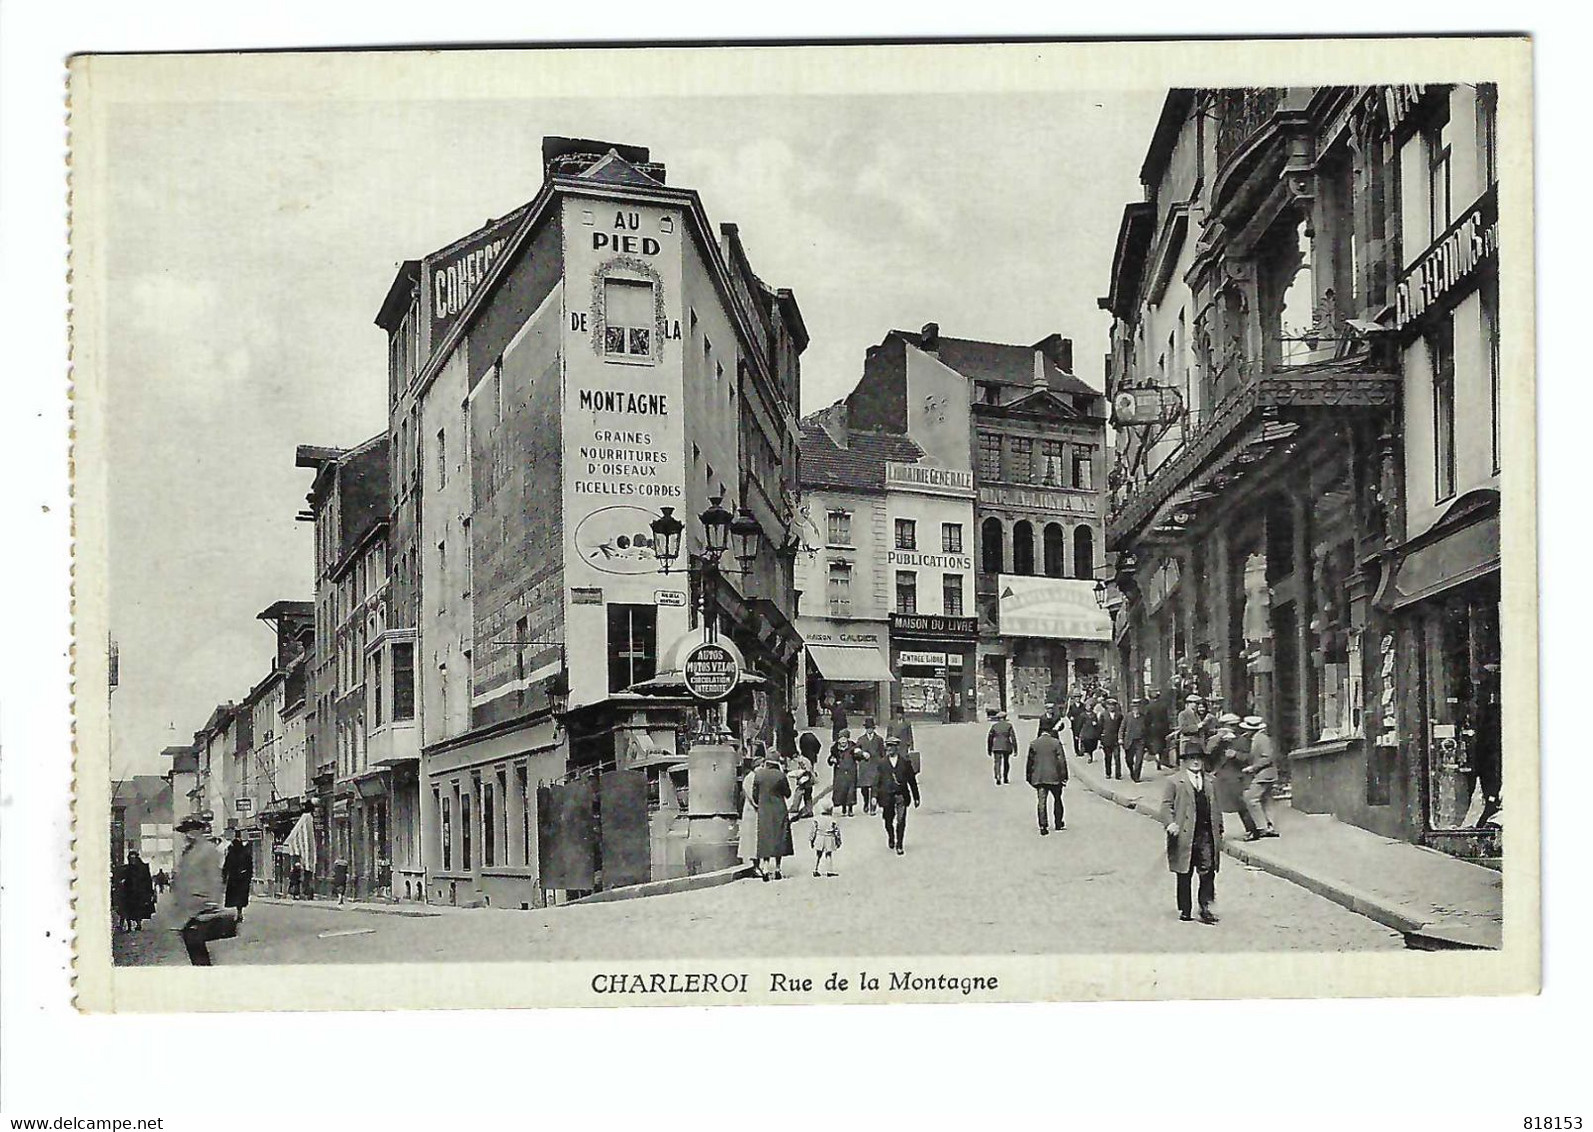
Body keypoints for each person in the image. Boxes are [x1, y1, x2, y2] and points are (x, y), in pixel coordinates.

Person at [1160, 744, 1224, 924]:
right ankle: (1185, 909)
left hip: (1205, 833)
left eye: (1199, 758)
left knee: (1208, 871)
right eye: (1191, 758)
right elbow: (1166, 806)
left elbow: (1216, 808)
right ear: (1185, 761)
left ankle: (1206, 908)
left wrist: (1219, 829)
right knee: (1184, 872)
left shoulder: (1210, 782)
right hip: (1184, 834)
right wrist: (1170, 823)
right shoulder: (1174, 781)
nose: (1195, 762)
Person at [172, 815, 225, 965]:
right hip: (188, 908)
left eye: (193, 829)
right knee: (193, 946)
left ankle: (205, 978)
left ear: (201, 830)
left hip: (201, 906)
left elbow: (215, 878)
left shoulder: (208, 850)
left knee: (196, 947)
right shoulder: (188, 851)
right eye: (186, 831)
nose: (189, 834)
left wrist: (213, 903)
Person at [1208, 713, 1258, 838]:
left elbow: (1249, 758)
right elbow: (1207, 753)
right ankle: (1218, 830)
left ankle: (1252, 829)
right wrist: (1217, 740)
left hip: (1235, 777)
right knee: (1215, 805)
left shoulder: (1242, 740)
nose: (1230, 728)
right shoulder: (1217, 740)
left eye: (1232, 726)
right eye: (1227, 725)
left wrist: (1236, 755)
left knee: (1241, 805)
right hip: (1219, 776)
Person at [751, 752, 794, 880]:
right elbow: (788, 793)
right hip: (779, 809)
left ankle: (765, 867)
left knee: (765, 838)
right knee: (779, 837)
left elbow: (755, 795)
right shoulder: (780, 775)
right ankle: (778, 868)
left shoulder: (759, 775)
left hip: (764, 810)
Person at [875, 736, 920, 855]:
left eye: (891, 746)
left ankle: (899, 844)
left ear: (897, 748)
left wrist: (916, 797)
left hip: (901, 796)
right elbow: (877, 781)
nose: (888, 748)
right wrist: (874, 797)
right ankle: (891, 836)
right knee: (888, 820)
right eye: (887, 746)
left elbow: (912, 780)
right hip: (887, 796)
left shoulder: (905, 763)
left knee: (901, 820)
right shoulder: (882, 763)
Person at [1239, 715, 1280, 838]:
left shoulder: (1261, 739)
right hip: (1266, 773)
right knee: (1266, 800)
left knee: (1251, 798)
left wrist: (1252, 767)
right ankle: (1269, 825)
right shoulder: (1257, 738)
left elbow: (1267, 757)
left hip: (1265, 774)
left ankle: (1262, 827)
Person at [1025, 719, 1068, 836]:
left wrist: (1029, 777)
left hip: (1039, 777)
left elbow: (1030, 762)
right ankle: (1058, 823)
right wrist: (1064, 776)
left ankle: (1043, 825)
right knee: (1057, 800)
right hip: (1055, 777)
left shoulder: (1034, 743)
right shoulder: (1056, 743)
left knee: (1041, 801)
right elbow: (1061, 761)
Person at [117, 849, 156, 931]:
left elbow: (148, 881)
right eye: (130, 859)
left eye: (134, 858)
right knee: (129, 909)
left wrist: (150, 893)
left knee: (139, 909)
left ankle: (138, 924)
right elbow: (122, 878)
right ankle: (129, 925)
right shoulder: (127, 869)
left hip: (140, 893)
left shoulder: (143, 868)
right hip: (129, 893)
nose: (132, 861)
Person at [855, 717, 885, 815]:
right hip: (865, 766)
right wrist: (862, 753)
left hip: (876, 766)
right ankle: (866, 802)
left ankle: (873, 807)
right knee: (864, 788)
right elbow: (855, 752)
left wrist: (883, 764)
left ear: (873, 728)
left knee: (875, 787)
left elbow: (883, 753)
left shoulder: (879, 739)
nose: (869, 730)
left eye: (871, 728)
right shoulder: (861, 739)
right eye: (867, 728)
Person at [223, 831, 253, 925]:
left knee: (236, 897)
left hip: (235, 878)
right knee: (240, 897)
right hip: (242, 878)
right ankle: (239, 912)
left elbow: (226, 866)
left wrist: (224, 876)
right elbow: (250, 865)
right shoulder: (245, 852)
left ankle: (238, 913)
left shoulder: (231, 852)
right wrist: (249, 876)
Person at [738, 761, 762, 875]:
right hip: (751, 811)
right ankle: (754, 865)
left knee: (756, 838)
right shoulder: (750, 778)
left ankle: (756, 864)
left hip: (753, 810)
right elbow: (751, 795)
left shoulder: (754, 777)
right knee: (752, 838)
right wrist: (757, 804)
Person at [828, 732, 859, 817]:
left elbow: (859, 757)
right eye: (841, 741)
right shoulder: (834, 749)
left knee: (851, 791)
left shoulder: (853, 747)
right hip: (840, 773)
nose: (843, 743)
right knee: (842, 791)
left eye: (844, 741)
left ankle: (850, 809)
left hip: (851, 772)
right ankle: (843, 807)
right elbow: (830, 759)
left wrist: (860, 754)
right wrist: (831, 760)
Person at [1176, 694, 1213, 762]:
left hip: (1198, 744)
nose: (1197, 705)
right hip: (1188, 743)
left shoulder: (1196, 714)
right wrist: (1197, 726)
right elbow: (1183, 729)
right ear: (1189, 703)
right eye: (1195, 703)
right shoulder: (1183, 714)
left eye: (1197, 703)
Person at [809, 803, 842, 878]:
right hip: (829, 838)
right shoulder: (833, 820)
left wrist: (811, 839)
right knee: (828, 854)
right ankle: (829, 870)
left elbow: (813, 830)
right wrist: (838, 840)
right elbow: (836, 831)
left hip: (819, 837)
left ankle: (815, 869)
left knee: (818, 854)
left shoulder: (817, 819)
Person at [987, 711, 1018, 785]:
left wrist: (989, 748)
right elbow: (1013, 738)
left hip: (996, 746)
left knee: (997, 762)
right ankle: (1005, 777)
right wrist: (1015, 749)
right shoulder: (1009, 725)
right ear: (1005, 717)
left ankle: (998, 776)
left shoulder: (994, 726)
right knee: (1006, 762)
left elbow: (990, 738)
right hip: (1006, 746)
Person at [1098, 697, 1126, 779]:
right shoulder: (1103, 715)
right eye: (1109, 705)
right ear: (1107, 706)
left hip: (1116, 739)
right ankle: (1108, 773)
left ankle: (1118, 774)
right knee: (1108, 757)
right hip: (1106, 739)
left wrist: (1121, 737)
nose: (1111, 707)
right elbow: (1100, 727)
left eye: (1113, 705)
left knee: (1117, 757)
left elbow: (1122, 727)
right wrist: (1100, 739)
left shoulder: (1119, 715)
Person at [1122, 699, 1149, 782]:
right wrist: (1120, 738)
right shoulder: (1127, 717)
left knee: (1139, 760)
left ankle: (1136, 776)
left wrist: (1146, 742)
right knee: (1129, 760)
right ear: (1132, 708)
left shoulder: (1143, 717)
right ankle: (1131, 771)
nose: (1136, 709)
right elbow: (1122, 728)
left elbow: (1147, 730)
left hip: (1140, 742)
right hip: (1129, 741)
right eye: (1135, 707)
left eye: (1138, 707)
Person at [788, 743, 817, 820]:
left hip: (806, 780)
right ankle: (807, 810)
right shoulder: (802, 760)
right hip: (805, 780)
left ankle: (800, 809)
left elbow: (808, 772)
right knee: (805, 795)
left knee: (804, 795)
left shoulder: (804, 761)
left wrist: (801, 777)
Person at [1075, 697, 1102, 764]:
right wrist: (1077, 734)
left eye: (1090, 706)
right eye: (1087, 706)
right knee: (1087, 745)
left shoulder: (1094, 714)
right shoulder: (1082, 715)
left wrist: (1096, 724)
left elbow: (1097, 723)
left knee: (1093, 746)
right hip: (1085, 733)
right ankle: (1089, 756)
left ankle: (1091, 754)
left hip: (1093, 733)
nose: (1089, 707)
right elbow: (1079, 725)